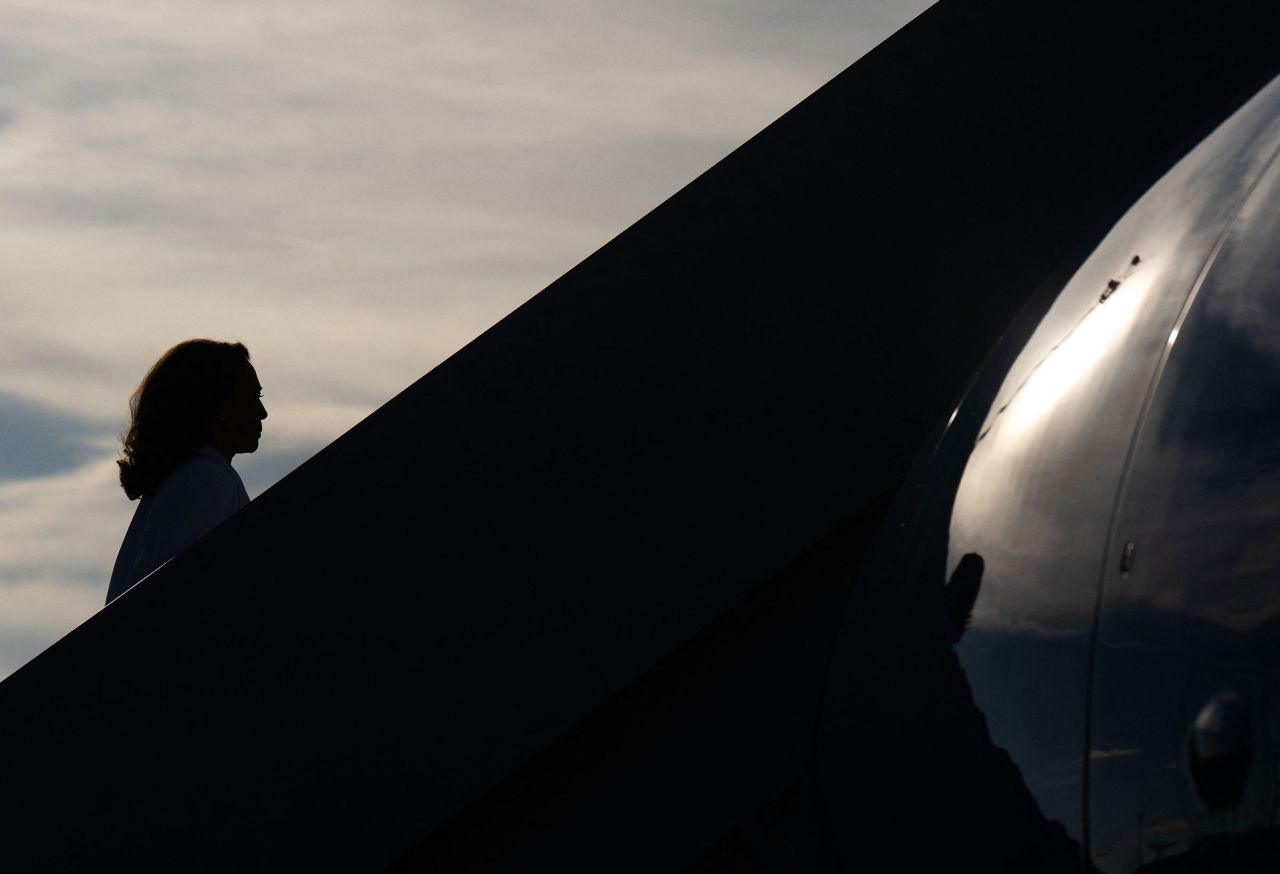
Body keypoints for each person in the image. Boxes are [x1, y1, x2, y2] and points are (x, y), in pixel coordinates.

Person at [106, 339, 267, 604]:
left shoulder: (179, 484)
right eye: (253, 397)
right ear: (219, 407)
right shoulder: (207, 480)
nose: (263, 413)